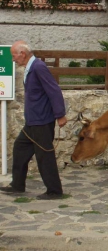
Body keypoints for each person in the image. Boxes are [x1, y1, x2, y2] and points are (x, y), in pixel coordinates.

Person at [0, 40, 67, 200]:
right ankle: (17, 185)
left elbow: (54, 90)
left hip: (42, 121)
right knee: (20, 147)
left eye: (14, 55)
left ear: (22, 53)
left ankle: (54, 191)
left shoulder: (38, 67)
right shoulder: (31, 67)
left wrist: (60, 115)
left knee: (44, 155)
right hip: (33, 122)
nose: (13, 59)